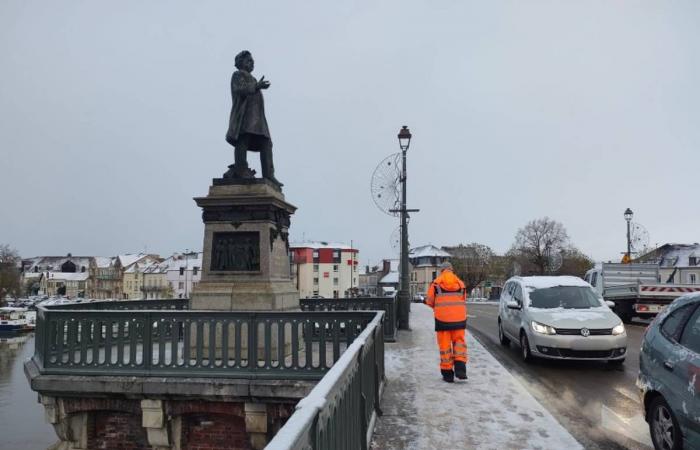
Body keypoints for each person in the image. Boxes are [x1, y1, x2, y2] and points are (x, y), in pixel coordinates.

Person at [224, 50, 282, 187]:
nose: (252, 63)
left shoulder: (253, 79)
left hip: (258, 119)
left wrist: (257, 85)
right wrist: (257, 86)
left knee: (266, 143)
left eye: (252, 61)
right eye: (248, 60)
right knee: (243, 140)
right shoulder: (237, 75)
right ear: (240, 63)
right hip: (244, 117)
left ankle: (269, 174)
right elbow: (240, 90)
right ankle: (241, 169)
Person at [425, 262, 468, 383]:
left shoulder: (436, 283)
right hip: (459, 319)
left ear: (442, 270)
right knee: (459, 343)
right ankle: (460, 368)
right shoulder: (460, 283)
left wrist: (438, 307)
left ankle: (447, 373)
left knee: (445, 346)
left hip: (442, 320)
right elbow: (464, 299)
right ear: (452, 270)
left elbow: (429, 301)